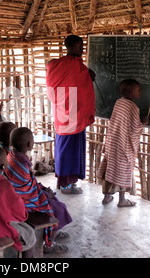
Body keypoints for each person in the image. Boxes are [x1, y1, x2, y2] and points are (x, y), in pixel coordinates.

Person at [5, 127, 72, 254]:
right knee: (59, 208)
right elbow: (26, 192)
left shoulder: (12, 156)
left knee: (53, 199)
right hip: (23, 203)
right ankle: (49, 243)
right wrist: (43, 193)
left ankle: (52, 231)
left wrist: (42, 190)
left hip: (22, 197)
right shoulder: (20, 164)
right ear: (30, 144)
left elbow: (28, 184)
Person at [46, 35, 96, 194]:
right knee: (70, 151)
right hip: (75, 115)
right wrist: (89, 77)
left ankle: (64, 182)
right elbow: (82, 87)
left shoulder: (56, 65)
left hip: (62, 114)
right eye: (80, 47)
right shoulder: (76, 67)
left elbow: (53, 90)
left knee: (63, 148)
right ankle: (67, 185)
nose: (82, 50)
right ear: (72, 47)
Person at [98, 79, 148, 207]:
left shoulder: (119, 102)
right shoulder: (133, 107)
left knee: (110, 169)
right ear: (131, 93)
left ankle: (107, 197)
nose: (140, 92)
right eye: (138, 90)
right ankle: (122, 200)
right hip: (123, 145)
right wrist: (143, 123)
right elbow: (134, 129)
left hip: (113, 142)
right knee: (123, 170)